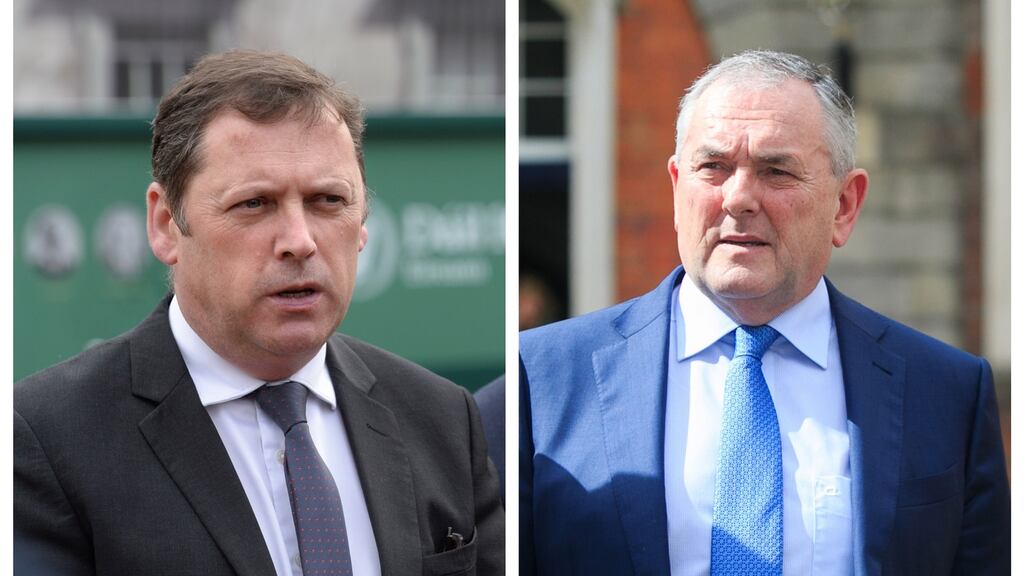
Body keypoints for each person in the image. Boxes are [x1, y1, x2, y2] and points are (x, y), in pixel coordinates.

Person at [15, 50, 504, 576]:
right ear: (164, 224)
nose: (299, 241)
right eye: (254, 204)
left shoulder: (442, 419)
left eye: (327, 200)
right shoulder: (47, 437)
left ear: (363, 221)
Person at [520, 50, 1009, 575]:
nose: (738, 198)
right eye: (713, 167)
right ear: (676, 187)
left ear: (844, 206)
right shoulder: (543, 378)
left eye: (776, 171)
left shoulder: (947, 392)